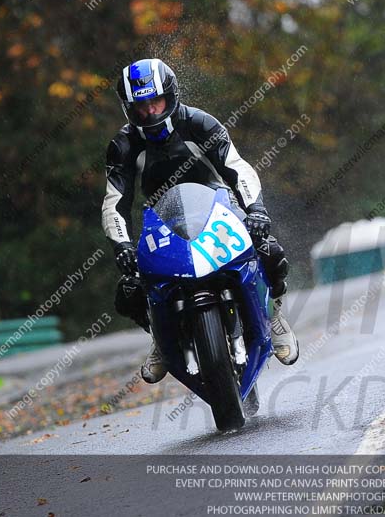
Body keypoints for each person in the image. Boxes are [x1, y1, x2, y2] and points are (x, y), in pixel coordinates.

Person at [101, 58, 298, 384]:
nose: (150, 113)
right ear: (128, 109)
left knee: (270, 251)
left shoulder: (200, 122)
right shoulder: (122, 146)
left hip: (219, 208)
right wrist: (122, 245)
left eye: (156, 102)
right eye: (140, 108)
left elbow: (238, 167)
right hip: (162, 223)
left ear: (171, 95)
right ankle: (160, 339)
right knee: (129, 290)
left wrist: (256, 210)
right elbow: (114, 202)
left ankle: (276, 317)